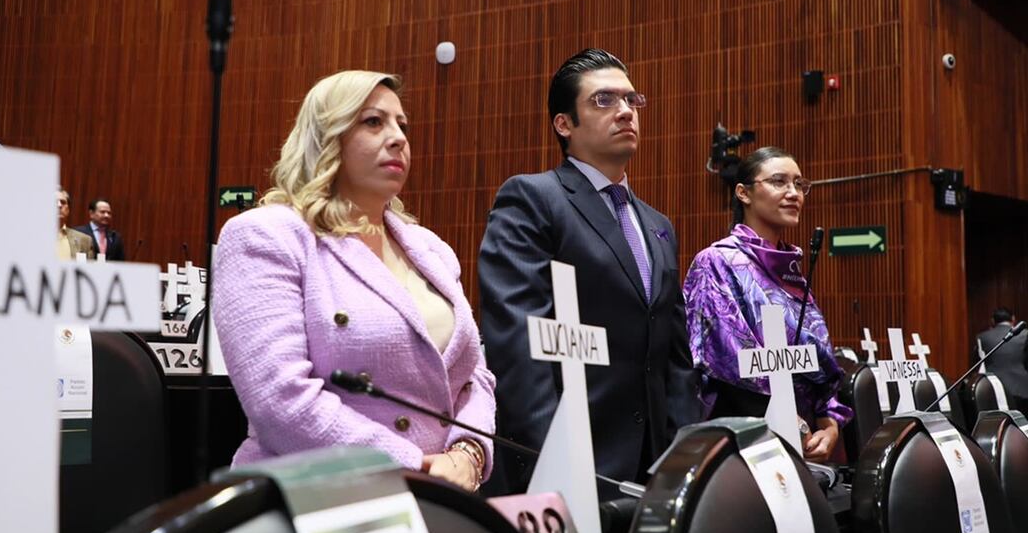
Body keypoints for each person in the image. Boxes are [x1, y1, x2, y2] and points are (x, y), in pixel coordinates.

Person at [212, 70, 494, 492]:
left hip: (440, 497)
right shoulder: (266, 235)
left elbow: (474, 376)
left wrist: (468, 453)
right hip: (318, 497)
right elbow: (280, 400)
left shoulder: (430, 249)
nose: (398, 138)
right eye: (373, 122)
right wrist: (412, 465)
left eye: (402, 124)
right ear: (327, 138)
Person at [478, 49, 699, 497]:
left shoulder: (657, 225)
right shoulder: (533, 199)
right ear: (564, 124)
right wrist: (555, 461)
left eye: (631, 100)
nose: (625, 111)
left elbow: (674, 357)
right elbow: (519, 345)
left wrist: (688, 460)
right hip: (571, 465)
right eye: (604, 100)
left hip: (656, 470)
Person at [683, 146, 852, 462]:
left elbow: (818, 365)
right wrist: (791, 424)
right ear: (743, 193)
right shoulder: (717, 262)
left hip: (804, 444)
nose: (793, 193)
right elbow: (727, 365)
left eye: (799, 184)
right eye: (779, 182)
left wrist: (829, 425)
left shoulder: (791, 271)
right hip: (745, 443)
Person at [974, 307, 1028, 403]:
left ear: (992, 320)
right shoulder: (1026, 334)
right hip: (1022, 388)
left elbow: (978, 363)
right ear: (1013, 318)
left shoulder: (982, 337)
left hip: (994, 389)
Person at [56, 188, 94, 260]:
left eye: (63, 202)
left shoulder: (84, 241)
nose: (59, 205)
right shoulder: (34, 237)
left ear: (68, 210)